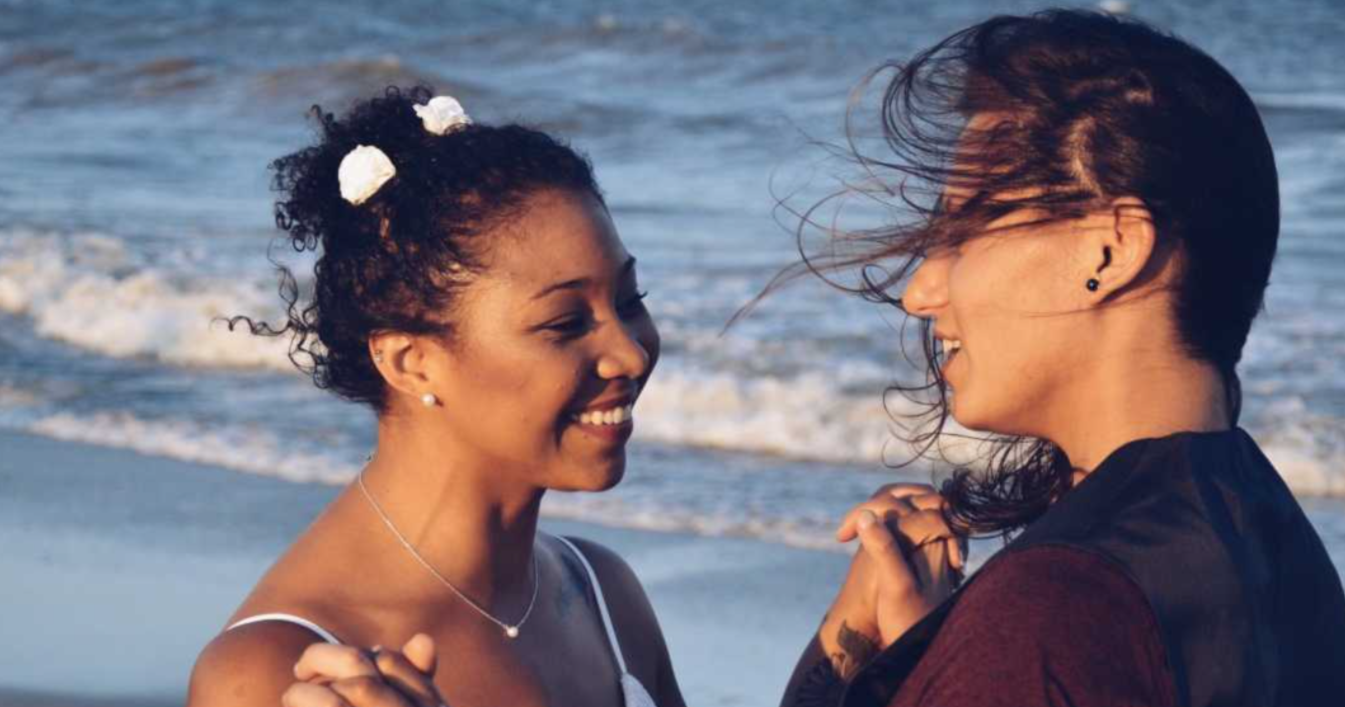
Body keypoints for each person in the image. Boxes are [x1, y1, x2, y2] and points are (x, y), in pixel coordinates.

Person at [776, 9, 1345, 707]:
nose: (920, 293)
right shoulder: (1280, 546)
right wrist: (928, 649)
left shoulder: (1050, 610)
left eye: (961, 235)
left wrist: (887, 641)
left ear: (1108, 252)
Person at [186, 86, 684, 707]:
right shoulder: (274, 675)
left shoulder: (603, 596)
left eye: (630, 301)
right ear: (410, 362)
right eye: (565, 323)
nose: (630, 355)